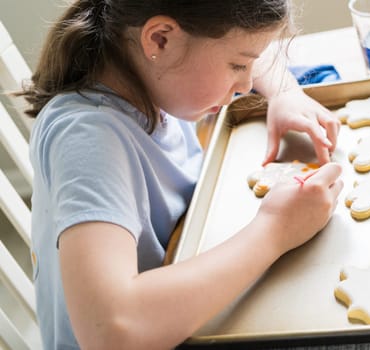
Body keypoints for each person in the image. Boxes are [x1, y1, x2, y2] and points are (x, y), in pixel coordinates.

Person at [19, 0, 343, 348]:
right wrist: (275, 230)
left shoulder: (149, 71)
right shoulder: (88, 137)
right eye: (237, 65)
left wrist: (285, 93)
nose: (245, 85)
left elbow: (241, 47)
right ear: (160, 40)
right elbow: (111, 331)